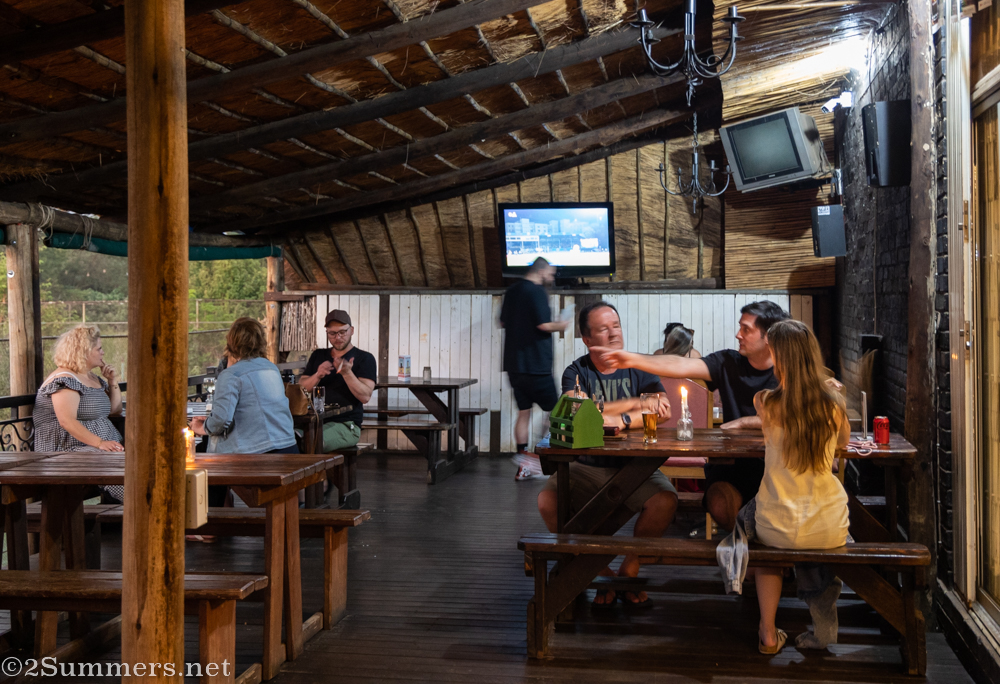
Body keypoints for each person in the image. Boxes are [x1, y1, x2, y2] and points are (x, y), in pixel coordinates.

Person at [596, 301, 791, 532]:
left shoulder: (790, 371)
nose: (738, 334)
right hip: (732, 468)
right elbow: (680, 364)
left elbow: (797, 421)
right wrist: (629, 359)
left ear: (768, 336)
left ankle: (757, 559)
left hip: (779, 467)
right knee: (720, 502)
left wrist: (745, 421)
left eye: (746, 329)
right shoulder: (728, 362)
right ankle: (750, 553)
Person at [537, 301, 675, 608]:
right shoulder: (576, 371)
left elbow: (662, 410)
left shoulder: (638, 366)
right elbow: (579, 415)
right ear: (587, 339)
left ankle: (630, 567)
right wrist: (633, 405)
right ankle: (600, 570)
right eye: (603, 329)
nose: (613, 334)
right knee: (547, 501)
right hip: (586, 466)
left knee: (664, 501)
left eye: (617, 326)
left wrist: (620, 419)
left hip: (634, 466)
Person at [732, 319, 850, 654]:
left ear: (780, 358)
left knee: (756, 530)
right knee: (823, 538)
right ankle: (824, 628)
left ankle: (767, 633)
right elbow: (843, 443)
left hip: (777, 524)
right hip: (829, 525)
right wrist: (832, 393)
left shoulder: (765, 402)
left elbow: (786, 406)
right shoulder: (833, 402)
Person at [33, 324, 125, 501]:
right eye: (99, 348)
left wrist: (112, 381)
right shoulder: (64, 380)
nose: (103, 352)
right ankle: (142, 503)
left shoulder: (91, 377)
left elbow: (114, 410)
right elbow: (66, 421)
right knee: (110, 463)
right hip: (65, 450)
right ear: (84, 351)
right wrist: (99, 443)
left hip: (96, 449)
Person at [498, 257, 569, 481]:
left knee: (524, 412)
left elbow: (501, 322)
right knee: (558, 412)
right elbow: (544, 325)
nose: (551, 277)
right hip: (536, 365)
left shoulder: (512, 291)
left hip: (514, 366)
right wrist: (562, 324)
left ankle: (523, 461)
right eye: (551, 272)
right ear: (541, 270)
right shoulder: (537, 291)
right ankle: (537, 458)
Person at [299, 309, 376, 452]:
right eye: (332, 333)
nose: (338, 337)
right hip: (314, 420)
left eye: (342, 332)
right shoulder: (318, 355)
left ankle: (319, 474)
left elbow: (365, 396)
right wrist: (317, 375)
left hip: (347, 424)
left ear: (351, 330)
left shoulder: (365, 358)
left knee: (311, 442)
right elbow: (301, 389)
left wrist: (347, 373)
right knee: (288, 439)